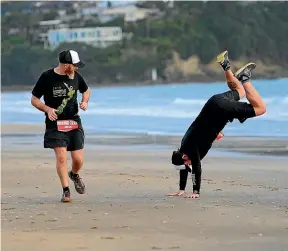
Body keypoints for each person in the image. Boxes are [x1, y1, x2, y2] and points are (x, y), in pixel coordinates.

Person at [168, 50, 266, 199]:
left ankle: (245, 78)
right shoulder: (184, 145)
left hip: (222, 110)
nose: (188, 166)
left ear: (185, 157)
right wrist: (181, 189)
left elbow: (197, 169)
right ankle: (226, 65)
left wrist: (196, 192)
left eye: (187, 163)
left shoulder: (190, 150)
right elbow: (185, 166)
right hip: (213, 102)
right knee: (239, 91)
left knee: (261, 108)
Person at [31, 49, 91, 202]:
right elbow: (34, 99)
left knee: (78, 160)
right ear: (65, 65)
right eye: (74, 65)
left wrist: (85, 101)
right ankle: (66, 190)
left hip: (73, 122)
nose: (76, 68)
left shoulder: (76, 76)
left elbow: (86, 90)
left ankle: (74, 174)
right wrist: (47, 109)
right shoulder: (47, 77)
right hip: (55, 124)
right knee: (62, 157)